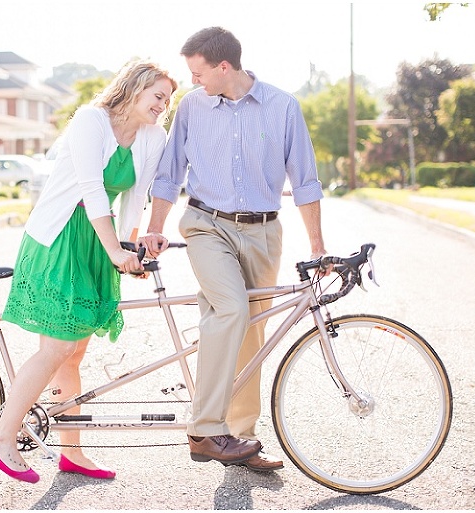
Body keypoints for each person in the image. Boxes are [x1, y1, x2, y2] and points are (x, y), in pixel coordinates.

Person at [138, 27, 327, 472]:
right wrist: (155, 228)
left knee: (252, 332)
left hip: (263, 232)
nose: (192, 81)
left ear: (224, 67)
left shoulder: (282, 106)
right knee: (230, 309)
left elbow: (305, 180)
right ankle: (205, 428)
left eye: (198, 72)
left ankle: (240, 439)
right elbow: (170, 173)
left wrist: (318, 248)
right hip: (207, 226)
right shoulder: (192, 107)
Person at [0, 60, 178, 483]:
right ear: (135, 88)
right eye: (158, 95)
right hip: (61, 239)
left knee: (74, 353)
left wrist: (129, 250)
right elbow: (91, 189)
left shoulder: (152, 136)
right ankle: (1, 438)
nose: (163, 105)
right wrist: (114, 252)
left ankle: (71, 452)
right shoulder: (91, 120)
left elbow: (136, 196)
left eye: (168, 99)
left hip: (98, 242)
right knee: (55, 348)